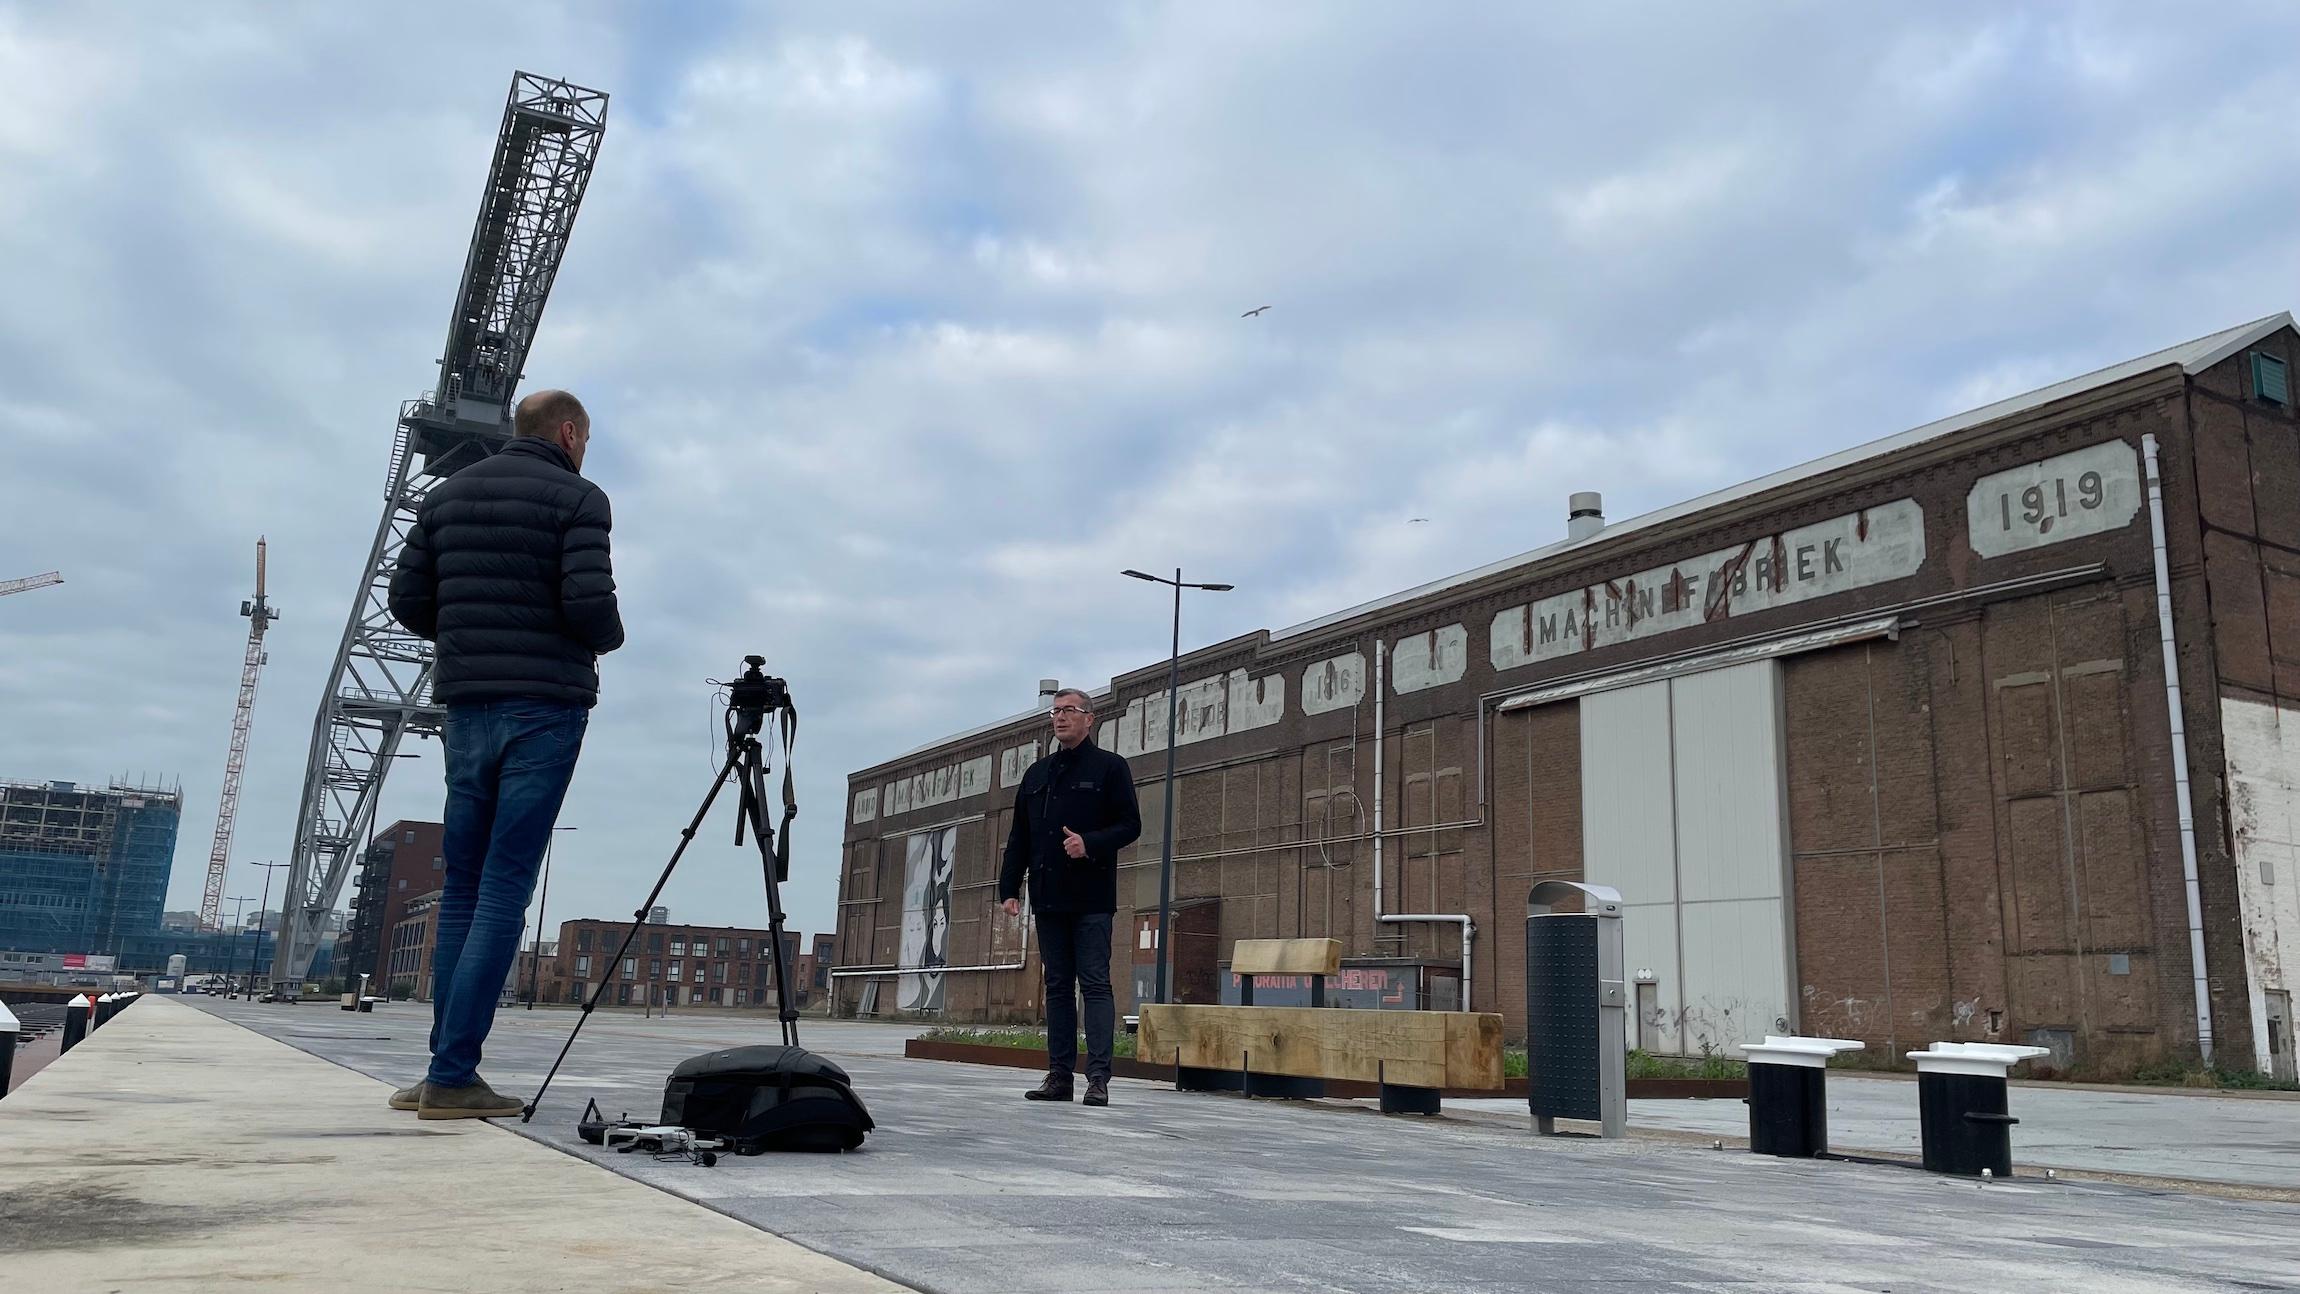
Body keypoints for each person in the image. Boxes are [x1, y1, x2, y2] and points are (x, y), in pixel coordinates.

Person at [384, 388, 623, 1119]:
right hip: (543, 707)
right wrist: (605, 637)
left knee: (463, 886)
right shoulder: (578, 497)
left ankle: (440, 1070)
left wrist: (468, 630)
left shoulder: (447, 497)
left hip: (466, 706)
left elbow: (406, 601)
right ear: (570, 431)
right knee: (504, 887)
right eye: (585, 437)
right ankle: (453, 1078)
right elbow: (589, 607)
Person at [999, 688, 1141, 1107]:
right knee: (1057, 987)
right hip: (1048, 896)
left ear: (1089, 719)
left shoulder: (1110, 768)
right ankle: (1059, 1076)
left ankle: (1098, 1078)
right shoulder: (1037, 775)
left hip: (1092, 896)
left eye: (1070, 711)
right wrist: (1009, 888)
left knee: (1094, 984)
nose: (1060, 718)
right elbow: (1019, 836)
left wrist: (1090, 843)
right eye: (1056, 711)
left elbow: (1131, 825)